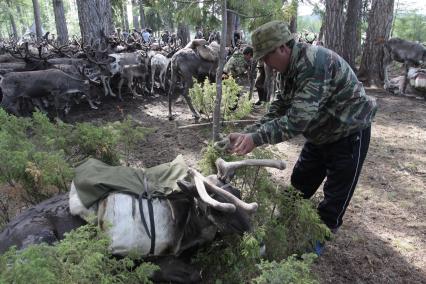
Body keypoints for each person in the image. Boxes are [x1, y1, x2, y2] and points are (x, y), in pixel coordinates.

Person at [227, 21, 377, 235]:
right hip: (319, 133)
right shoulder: (288, 68)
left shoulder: (313, 63)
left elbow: (298, 120)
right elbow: (280, 105)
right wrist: (250, 132)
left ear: (282, 47)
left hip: (348, 133)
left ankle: (316, 242)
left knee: (334, 199)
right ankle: (283, 230)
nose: (266, 64)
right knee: (299, 184)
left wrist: (257, 139)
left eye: (267, 57)